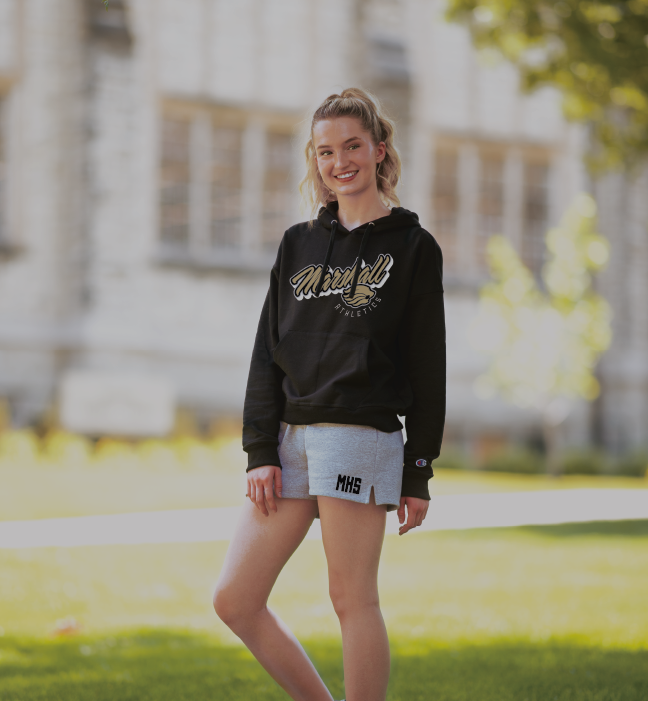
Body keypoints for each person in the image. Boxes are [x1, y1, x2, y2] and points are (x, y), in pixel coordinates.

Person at [212, 87, 446, 701]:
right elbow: (267, 352)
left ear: (378, 150)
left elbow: (428, 367)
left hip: (358, 439)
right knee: (235, 599)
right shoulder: (298, 244)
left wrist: (418, 469)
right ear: (313, 161)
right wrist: (259, 448)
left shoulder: (413, 249)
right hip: (289, 441)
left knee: (350, 599)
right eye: (324, 152)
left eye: (351, 147)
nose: (339, 162)